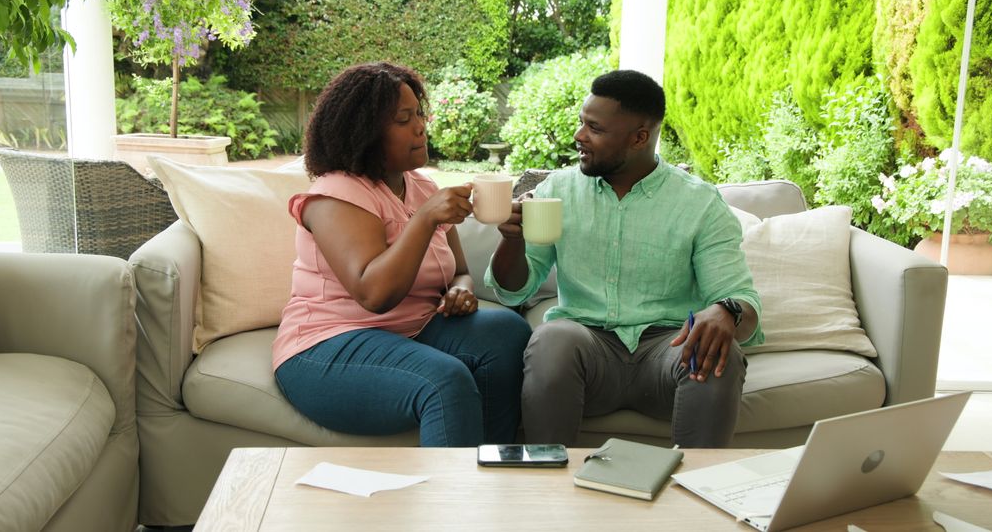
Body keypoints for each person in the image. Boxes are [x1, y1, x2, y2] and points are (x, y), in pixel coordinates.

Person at [486, 69, 763, 448]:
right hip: (585, 350)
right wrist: (511, 240)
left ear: (639, 138)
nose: (579, 136)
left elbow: (742, 303)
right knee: (553, 338)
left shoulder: (699, 203)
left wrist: (726, 312)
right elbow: (513, 291)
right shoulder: (557, 191)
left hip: (667, 352)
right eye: (582, 123)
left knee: (718, 351)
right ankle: (548, 477)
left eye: (595, 128)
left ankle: (695, 483)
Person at [273, 62, 530, 447]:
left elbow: (459, 271)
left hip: (414, 331)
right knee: (444, 380)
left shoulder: (421, 186)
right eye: (402, 120)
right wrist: (425, 219)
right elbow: (374, 294)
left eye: (419, 113)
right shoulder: (335, 194)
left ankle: (491, 465)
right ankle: (455, 488)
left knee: (508, 332)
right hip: (328, 345)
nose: (421, 127)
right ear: (365, 132)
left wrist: (459, 290)